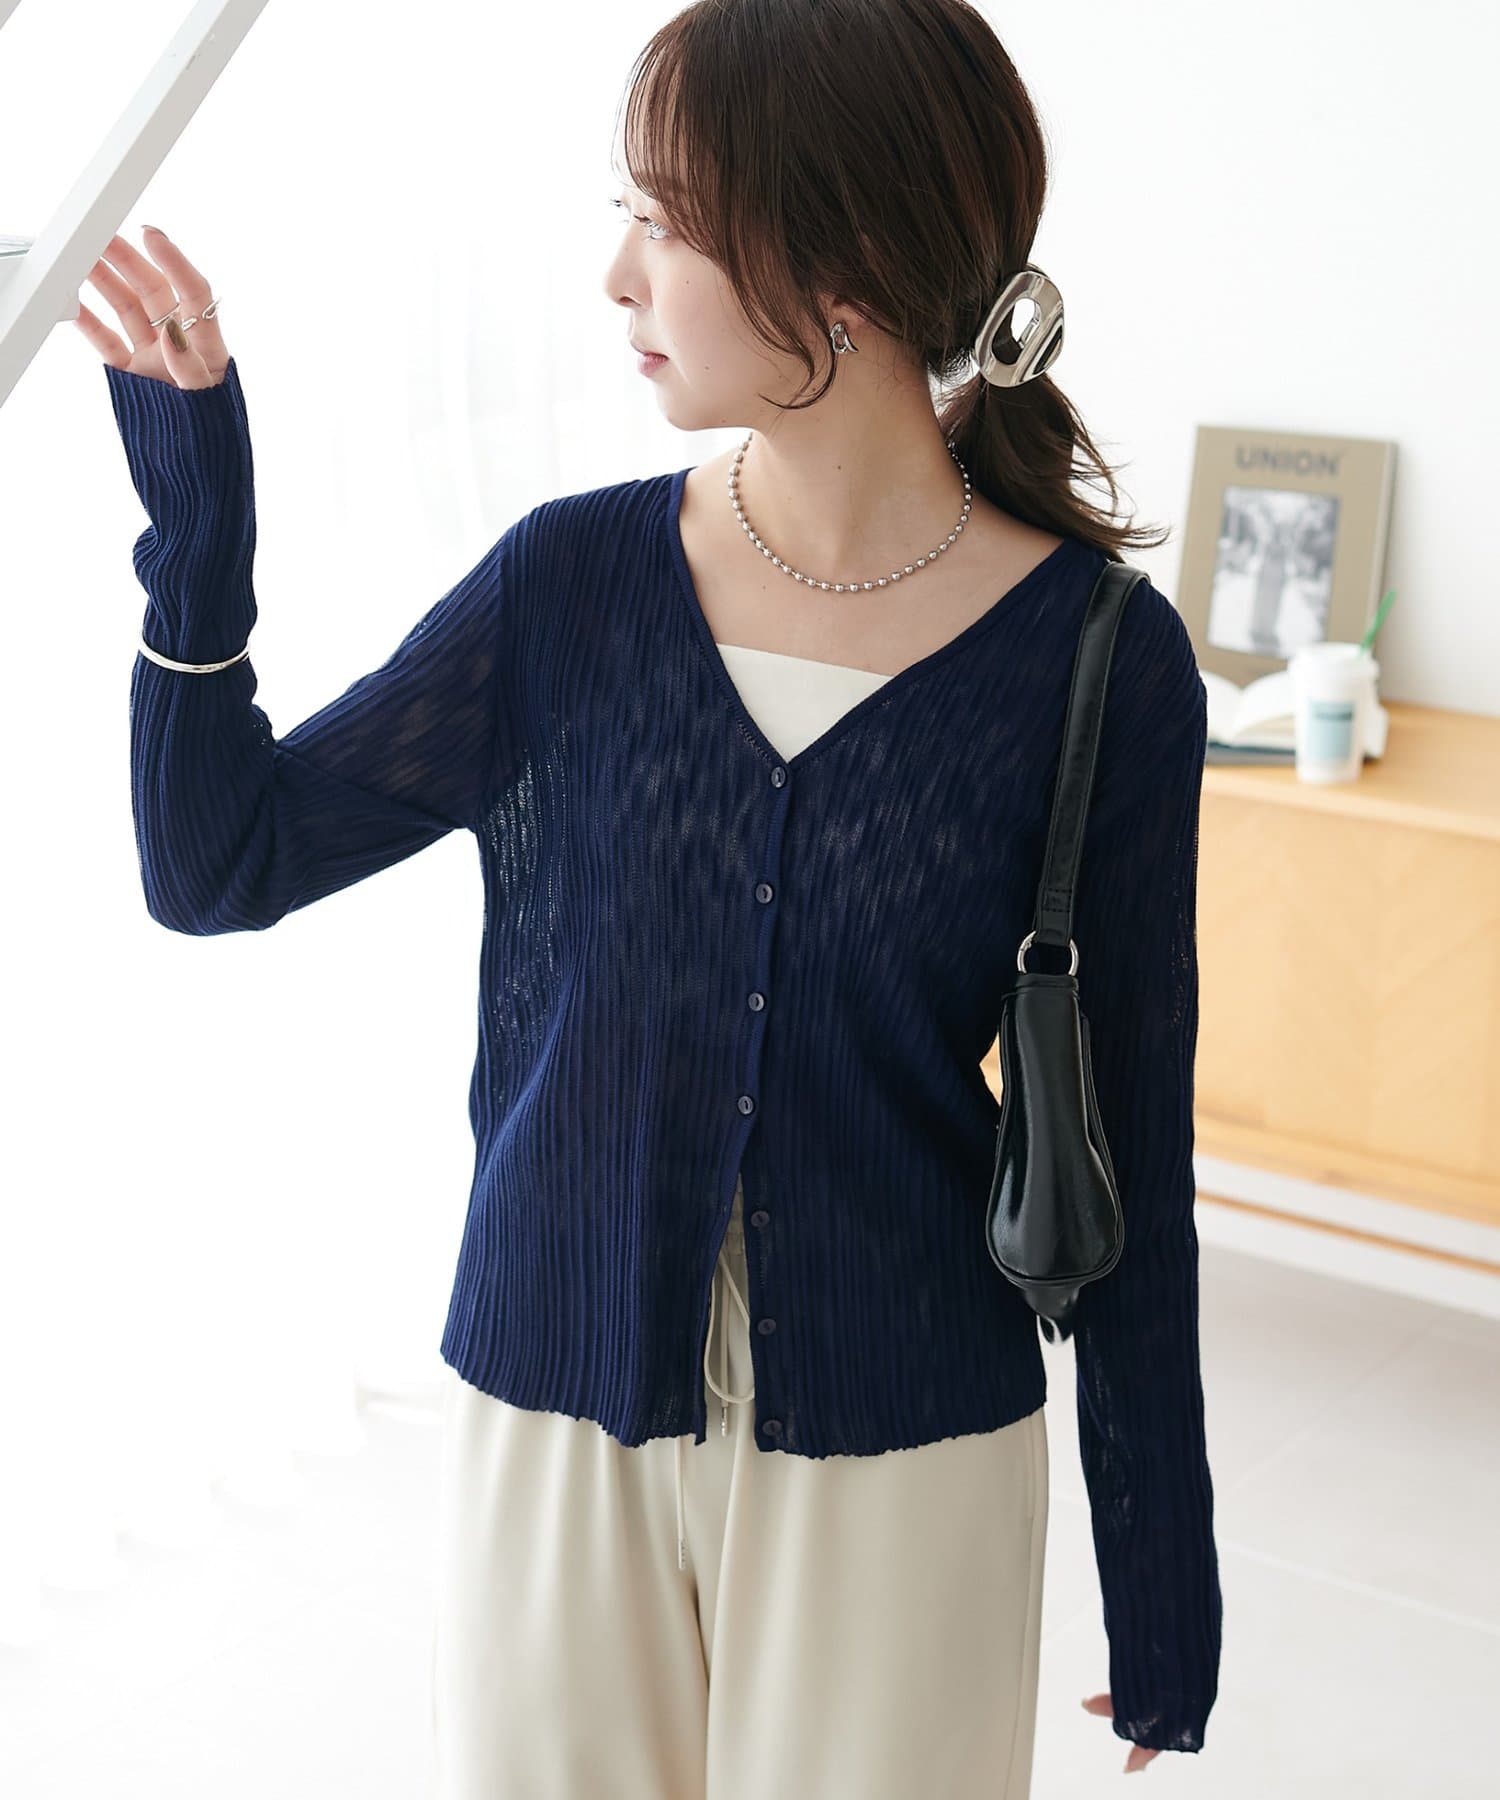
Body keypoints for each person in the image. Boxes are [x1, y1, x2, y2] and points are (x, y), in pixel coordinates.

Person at [76, 3, 1222, 1791]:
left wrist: (1160, 1598)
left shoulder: (1096, 663)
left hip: (904, 1442)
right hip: (557, 1403)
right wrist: (196, 532)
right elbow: (222, 863)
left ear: (839, 261)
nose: (617, 274)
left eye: (665, 220)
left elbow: (1133, 1142)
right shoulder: (571, 589)